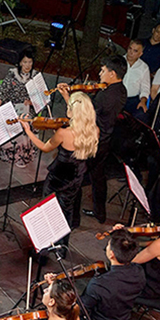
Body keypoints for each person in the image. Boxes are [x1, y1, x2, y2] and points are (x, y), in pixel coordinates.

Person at [52, 226, 144, 320]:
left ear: (111, 254)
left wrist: (56, 288)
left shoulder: (100, 284)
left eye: (108, 245)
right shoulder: (139, 272)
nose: (106, 246)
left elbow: (79, 310)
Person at [20, 91, 99, 247]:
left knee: (49, 208)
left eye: (69, 107)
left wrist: (28, 130)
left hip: (59, 175)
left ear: (73, 111)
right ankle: (62, 246)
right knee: (67, 209)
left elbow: (44, 147)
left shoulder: (64, 133)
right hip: (77, 174)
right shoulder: (94, 130)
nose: (66, 108)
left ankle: (46, 243)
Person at [59, 57, 125, 224]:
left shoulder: (106, 96)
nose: (100, 74)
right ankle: (99, 213)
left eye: (103, 71)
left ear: (112, 73)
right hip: (106, 139)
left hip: (94, 141)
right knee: (98, 177)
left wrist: (67, 97)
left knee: (76, 177)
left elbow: (84, 116)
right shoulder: (121, 90)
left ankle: (72, 219)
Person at [0, 47, 39, 166]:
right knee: (13, 121)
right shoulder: (12, 75)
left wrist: (31, 102)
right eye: (25, 62)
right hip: (12, 107)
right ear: (20, 63)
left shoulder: (35, 76)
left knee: (27, 122)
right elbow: (2, 91)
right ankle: (13, 155)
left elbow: (41, 96)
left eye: (30, 62)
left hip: (28, 109)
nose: (27, 65)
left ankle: (24, 156)